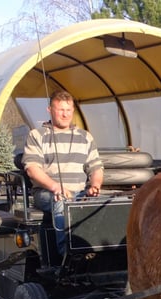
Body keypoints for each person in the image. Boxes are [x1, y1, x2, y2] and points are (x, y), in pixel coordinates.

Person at [22, 90, 103, 256]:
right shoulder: (37, 135)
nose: (65, 114)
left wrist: (95, 185)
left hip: (80, 192)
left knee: (110, 203)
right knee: (63, 201)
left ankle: (103, 253)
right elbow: (32, 169)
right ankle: (67, 255)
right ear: (50, 110)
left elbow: (95, 167)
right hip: (47, 193)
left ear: (73, 110)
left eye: (68, 110)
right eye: (60, 110)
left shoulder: (85, 137)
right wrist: (55, 187)